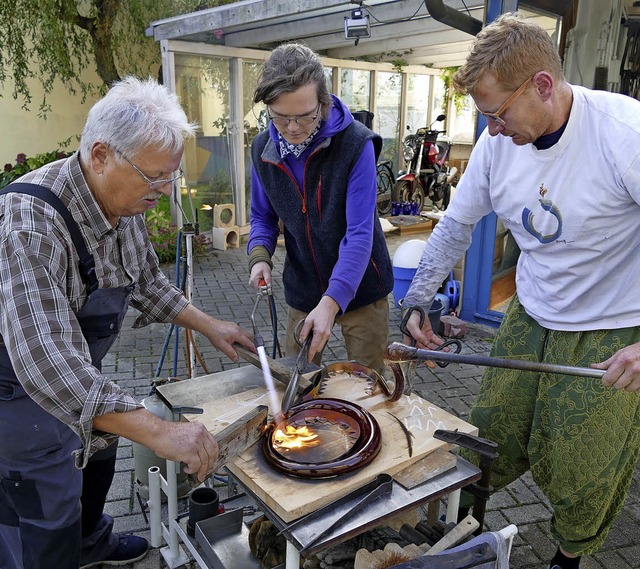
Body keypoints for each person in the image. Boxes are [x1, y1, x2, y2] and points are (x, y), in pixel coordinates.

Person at [401, 12, 640, 569]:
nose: (492, 129)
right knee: (492, 432)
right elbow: (456, 225)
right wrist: (417, 299)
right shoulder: (498, 144)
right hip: (531, 312)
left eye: (498, 112)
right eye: (484, 116)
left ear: (542, 85)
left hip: (609, 323)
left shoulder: (623, 134)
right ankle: (465, 527)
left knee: (583, 459)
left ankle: (568, 557)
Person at [0, 76, 255, 569]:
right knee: (46, 506)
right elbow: (49, 365)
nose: (165, 190)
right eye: (155, 177)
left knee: (101, 443)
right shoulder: (29, 223)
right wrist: (159, 432)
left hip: (71, 370)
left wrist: (208, 325)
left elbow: (148, 284)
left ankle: (92, 545)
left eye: (170, 176)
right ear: (100, 156)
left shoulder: (125, 202)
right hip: (17, 387)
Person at [247, 43, 394, 374]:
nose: (294, 128)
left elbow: (359, 235)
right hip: (304, 288)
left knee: (366, 387)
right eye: (281, 118)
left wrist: (333, 300)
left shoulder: (357, 145)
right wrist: (259, 256)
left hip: (363, 290)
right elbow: (262, 217)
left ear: (324, 103)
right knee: (297, 383)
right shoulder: (262, 150)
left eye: (305, 116)